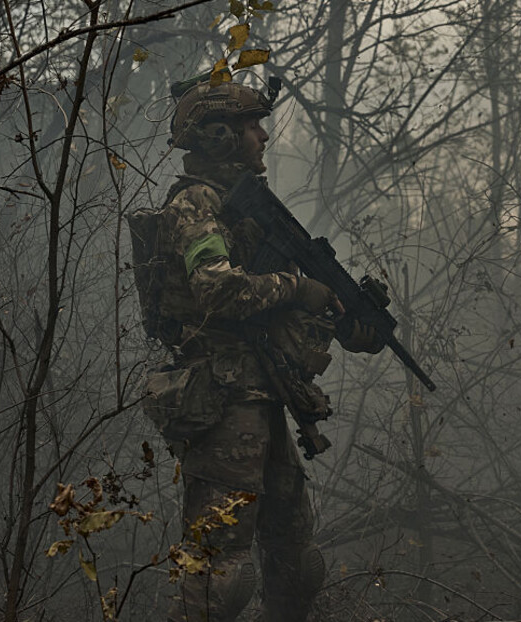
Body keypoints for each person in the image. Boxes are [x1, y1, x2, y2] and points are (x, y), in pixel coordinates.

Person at [127, 76, 382, 622]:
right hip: (221, 399)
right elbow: (217, 290)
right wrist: (299, 288)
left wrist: (344, 321)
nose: (263, 136)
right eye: (251, 126)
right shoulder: (196, 204)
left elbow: (277, 296)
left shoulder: (245, 206)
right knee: (223, 575)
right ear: (219, 135)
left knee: (297, 564)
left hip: (264, 395)